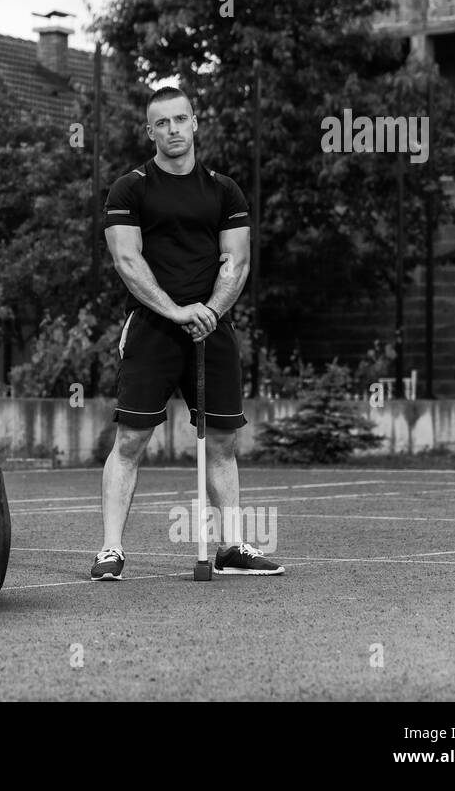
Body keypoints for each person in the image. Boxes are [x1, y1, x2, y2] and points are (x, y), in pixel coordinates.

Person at [93, 85, 283, 580]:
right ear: (149, 130)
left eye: (181, 120)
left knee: (222, 441)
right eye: (162, 123)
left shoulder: (224, 190)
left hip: (212, 330)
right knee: (132, 438)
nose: (173, 130)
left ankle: (232, 547)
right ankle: (110, 551)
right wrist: (178, 312)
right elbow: (127, 260)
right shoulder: (128, 188)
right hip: (154, 328)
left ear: (195, 123)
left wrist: (211, 313)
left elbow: (236, 261)